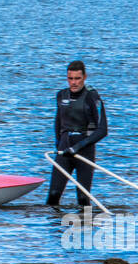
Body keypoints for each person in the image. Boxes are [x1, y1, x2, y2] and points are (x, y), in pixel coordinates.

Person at [46, 61, 108, 209]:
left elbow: (102, 130)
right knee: (53, 196)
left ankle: (85, 228)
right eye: (70, 78)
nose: (73, 83)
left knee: (82, 199)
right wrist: (59, 144)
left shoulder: (92, 97)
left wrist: (78, 146)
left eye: (77, 78)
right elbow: (58, 121)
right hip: (64, 150)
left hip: (84, 151)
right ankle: (55, 229)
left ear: (84, 77)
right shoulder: (61, 95)